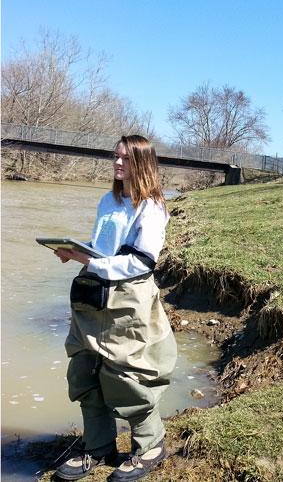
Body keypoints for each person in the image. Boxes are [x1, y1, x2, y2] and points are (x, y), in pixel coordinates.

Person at [53, 135, 177, 481]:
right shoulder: (108, 199)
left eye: (125, 158)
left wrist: (90, 262)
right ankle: (98, 446)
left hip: (127, 300)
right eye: (116, 157)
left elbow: (141, 262)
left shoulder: (151, 208)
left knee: (128, 374)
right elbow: (103, 247)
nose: (117, 163)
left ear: (142, 163)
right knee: (84, 369)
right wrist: (76, 252)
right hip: (93, 296)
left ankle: (150, 446)